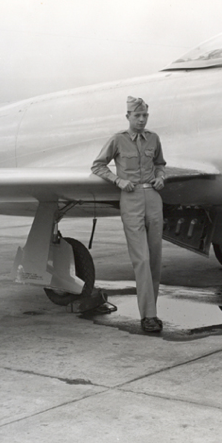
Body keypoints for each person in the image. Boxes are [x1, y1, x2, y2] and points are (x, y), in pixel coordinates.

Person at [91, 97, 166, 333]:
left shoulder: (154, 138)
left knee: (154, 259)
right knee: (141, 259)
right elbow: (97, 165)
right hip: (131, 200)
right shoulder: (118, 139)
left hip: (153, 199)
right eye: (137, 116)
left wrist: (161, 177)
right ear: (128, 117)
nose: (142, 119)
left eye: (145, 115)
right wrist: (118, 180)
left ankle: (151, 310)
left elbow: (161, 163)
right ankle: (149, 316)